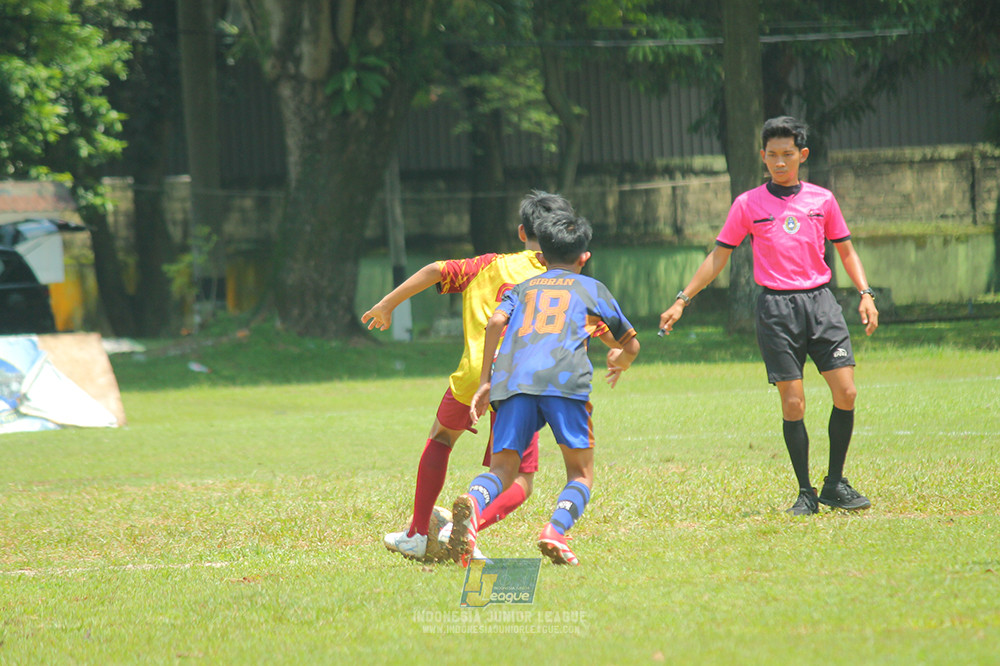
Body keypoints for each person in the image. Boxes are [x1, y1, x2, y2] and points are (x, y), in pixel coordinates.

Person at [658, 115, 879, 516]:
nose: (780, 162)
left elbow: (846, 250)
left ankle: (834, 484)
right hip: (777, 309)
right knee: (793, 404)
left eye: (788, 154)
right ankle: (806, 492)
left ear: (802, 155)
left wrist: (865, 293)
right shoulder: (747, 204)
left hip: (821, 303)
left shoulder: (822, 200)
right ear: (763, 156)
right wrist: (681, 300)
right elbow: (718, 257)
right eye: (772, 155)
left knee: (846, 391)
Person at [362, 191, 574, 562]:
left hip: (473, 375)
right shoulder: (561, 278)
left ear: (522, 231)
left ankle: (416, 533)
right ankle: (464, 528)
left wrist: (387, 304)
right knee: (518, 478)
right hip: (518, 383)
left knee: (441, 437)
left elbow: (435, 270)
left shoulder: (489, 265)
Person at [451, 211, 640, 567]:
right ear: (584, 257)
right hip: (564, 382)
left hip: (513, 381)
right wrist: (619, 360)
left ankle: (473, 504)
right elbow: (630, 344)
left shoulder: (523, 288)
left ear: (542, 256)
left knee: (502, 471)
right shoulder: (592, 288)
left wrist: (486, 380)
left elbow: (495, 321)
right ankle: (555, 530)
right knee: (580, 473)